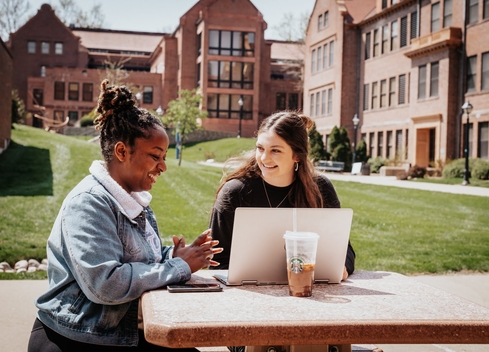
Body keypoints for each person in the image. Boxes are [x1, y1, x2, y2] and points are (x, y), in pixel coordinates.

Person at [28, 80, 222, 352]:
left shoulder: (134, 199)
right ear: (121, 151)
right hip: (78, 337)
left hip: (117, 332)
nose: (163, 166)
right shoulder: (89, 203)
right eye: (156, 156)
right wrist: (178, 268)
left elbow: (137, 260)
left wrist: (172, 256)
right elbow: (106, 284)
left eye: (165, 156)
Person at [209, 111, 355, 279]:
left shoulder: (321, 189)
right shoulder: (235, 192)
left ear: (297, 156)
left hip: (308, 289)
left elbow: (344, 249)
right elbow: (217, 260)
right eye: (260, 148)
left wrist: (342, 267)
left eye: (275, 151)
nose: (265, 158)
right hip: (250, 293)